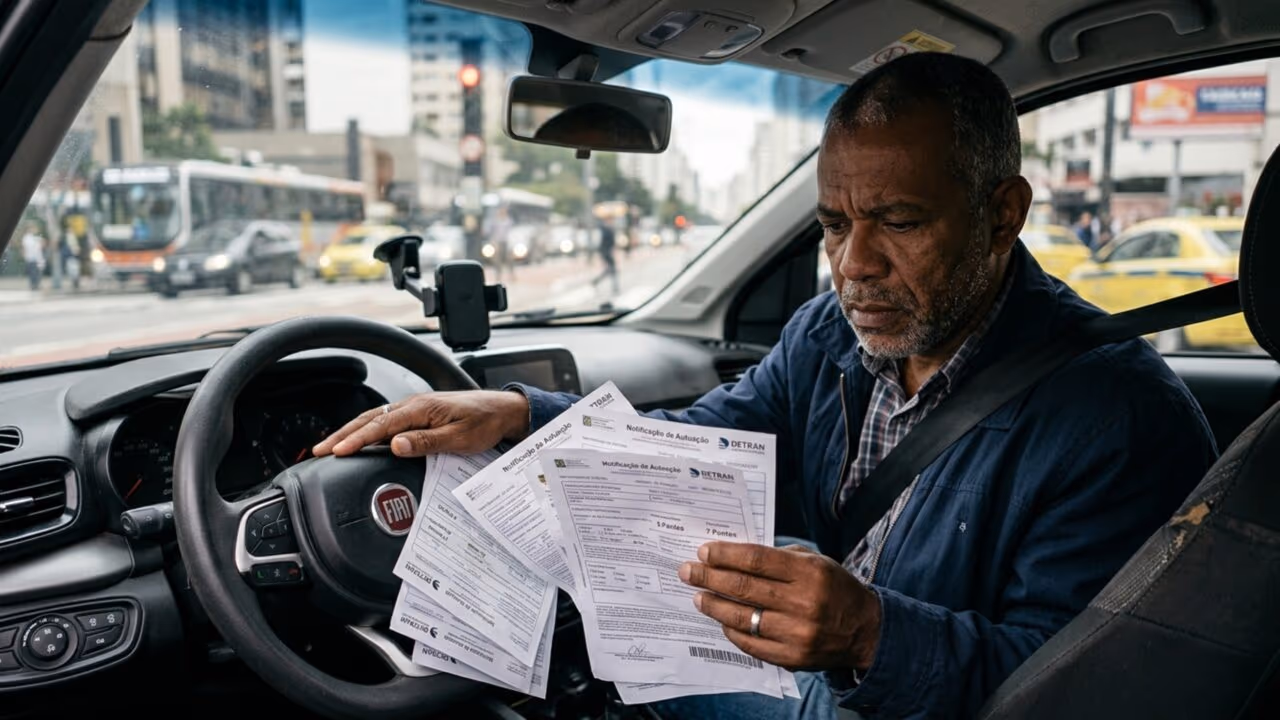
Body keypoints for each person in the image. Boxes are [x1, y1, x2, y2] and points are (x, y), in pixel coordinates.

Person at [313, 52, 1217, 719]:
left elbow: (1074, 688)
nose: (854, 265)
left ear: (1003, 214)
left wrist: (870, 635)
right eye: (832, 224)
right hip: (786, 663)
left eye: (898, 222)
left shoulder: (1115, 418)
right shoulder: (829, 333)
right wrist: (515, 413)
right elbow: (694, 446)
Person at [591, 217, 619, 295]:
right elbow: (604, 243)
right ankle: (614, 287)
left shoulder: (608, 229)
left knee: (610, 270)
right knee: (612, 270)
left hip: (607, 252)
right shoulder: (605, 230)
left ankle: (596, 282)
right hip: (606, 252)